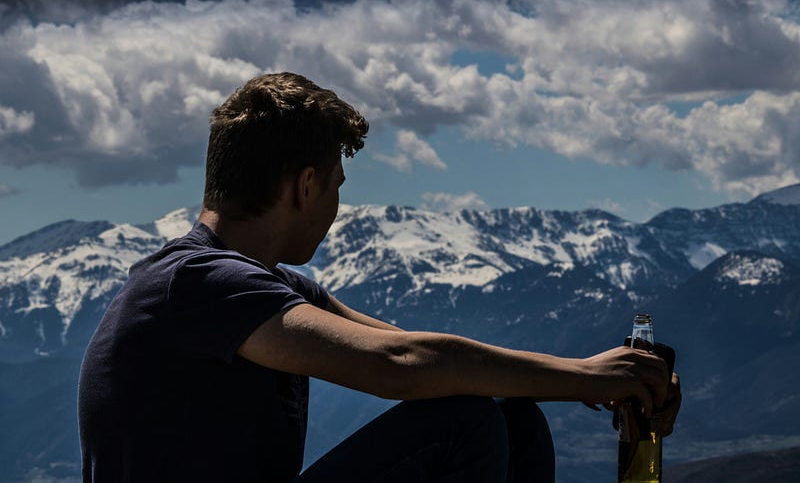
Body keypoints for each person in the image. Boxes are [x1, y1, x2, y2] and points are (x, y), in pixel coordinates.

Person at [78, 72, 681, 482]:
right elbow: (403, 365)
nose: (336, 210)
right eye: (337, 188)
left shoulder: (257, 287)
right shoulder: (194, 282)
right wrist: (580, 378)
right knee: (462, 426)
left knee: (506, 411)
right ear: (305, 185)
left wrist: (603, 379)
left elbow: (421, 355)